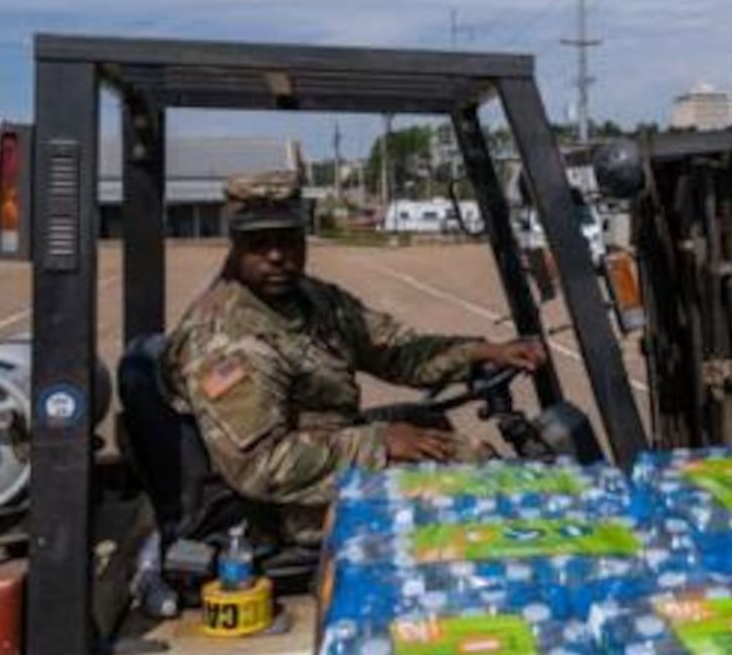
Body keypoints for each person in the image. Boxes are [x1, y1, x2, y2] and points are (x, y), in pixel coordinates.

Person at [162, 170, 546, 541]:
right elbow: (260, 467)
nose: (277, 255)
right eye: (259, 243)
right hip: (287, 505)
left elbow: (394, 351)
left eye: (289, 239)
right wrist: (379, 444)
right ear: (235, 244)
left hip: (326, 446)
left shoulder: (312, 299)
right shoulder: (226, 340)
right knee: (474, 466)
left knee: (425, 421)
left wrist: (479, 352)